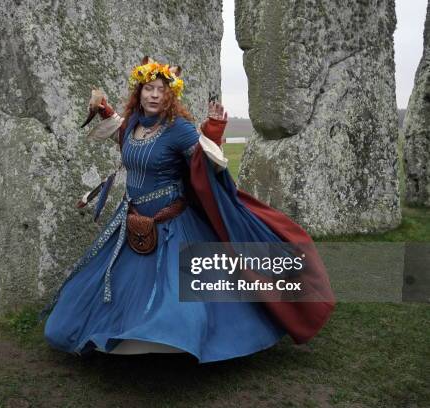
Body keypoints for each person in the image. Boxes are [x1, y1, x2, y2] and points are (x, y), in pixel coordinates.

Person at [43, 57, 334, 363]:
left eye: (161, 90)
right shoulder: (130, 125)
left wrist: (214, 130)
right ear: (139, 92)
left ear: (171, 96)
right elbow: (121, 134)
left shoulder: (179, 130)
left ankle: (172, 337)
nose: (154, 95)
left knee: (180, 299)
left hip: (173, 226)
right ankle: (119, 336)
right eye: (149, 88)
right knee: (114, 291)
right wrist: (104, 109)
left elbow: (205, 164)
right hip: (130, 223)